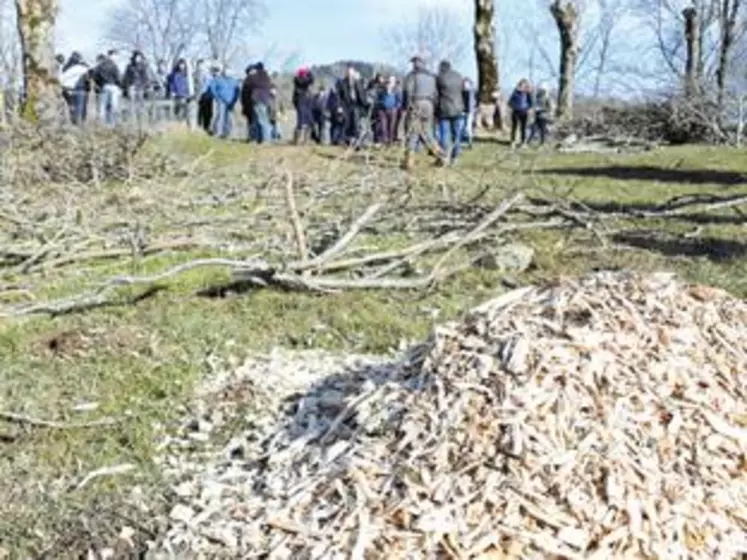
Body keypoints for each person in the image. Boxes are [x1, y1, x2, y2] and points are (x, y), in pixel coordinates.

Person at [401, 55, 441, 170]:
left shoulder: (412, 76)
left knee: (412, 131)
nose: (412, 65)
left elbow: (408, 91)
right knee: (427, 131)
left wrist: (405, 107)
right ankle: (440, 154)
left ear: (416, 63)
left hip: (416, 103)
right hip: (429, 105)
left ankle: (409, 161)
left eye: (413, 62)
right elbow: (436, 94)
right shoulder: (432, 77)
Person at [435, 60, 466, 166]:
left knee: (444, 135)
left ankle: (444, 157)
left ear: (442, 67)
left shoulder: (440, 77)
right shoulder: (458, 76)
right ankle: (455, 157)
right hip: (458, 109)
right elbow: (463, 91)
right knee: (456, 134)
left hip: (444, 110)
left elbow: (436, 94)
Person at [241, 62, 273, 143]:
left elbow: (248, 82)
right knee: (257, 120)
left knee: (262, 120)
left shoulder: (258, 76)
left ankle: (266, 139)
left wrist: (248, 77)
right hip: (262, 100)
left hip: (258, 100)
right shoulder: (266, 76)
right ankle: (258, 138)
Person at [336, 65, 367, 146]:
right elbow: (339, 96)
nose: (350, 75)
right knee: (348, 123)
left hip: (357, 105)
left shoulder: (359, 81)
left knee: (357, 123)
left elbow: (362, 93)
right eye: (348, 73)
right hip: (347, 105)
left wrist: (357, 81)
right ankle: (349, 140)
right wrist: (339, 107)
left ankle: (357, 141)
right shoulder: (342, 83)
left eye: (352, 73)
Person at [90, 50, 122, 125]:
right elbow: (118, 78)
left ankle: (102, 124)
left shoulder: (101, 65)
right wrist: (120, 86)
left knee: (102, 107)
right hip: (113, 87)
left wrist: (99, 84)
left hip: (103, 86)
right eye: (116, 55)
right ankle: (111, 124)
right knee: (113, 106)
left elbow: (95, 76)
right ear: (112, 55)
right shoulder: (114, 65)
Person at [122, 50, 154, 126]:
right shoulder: (129, 67)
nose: (138, 59)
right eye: (136, 57)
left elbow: (146, 78)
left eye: (139, 57)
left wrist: (147, 87)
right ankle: (131, 122)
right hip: (132, 87)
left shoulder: (144, 67)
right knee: (131, 105)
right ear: (134, 57)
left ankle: (141, 122)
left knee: (141, 105)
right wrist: (126, 87)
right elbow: (126, 78)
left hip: (140, 87)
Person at [208, 65, 239, 138]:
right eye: (226, 71)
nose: (227, 72)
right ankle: (218, 132)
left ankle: (227, 133)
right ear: (223, 72)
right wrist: (217, 97)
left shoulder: (234, 81)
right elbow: (213, 89)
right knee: (220, 117)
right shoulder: (218, 79)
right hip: (221, 101)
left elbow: (237, 92)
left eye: (229, 71)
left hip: (230, 102)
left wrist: (234, 101)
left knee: (229, 118)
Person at [60, 51, 90, 125]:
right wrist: (88, 89)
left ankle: (72, 121)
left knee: (72, 106)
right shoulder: (82, 68)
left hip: (67, 89)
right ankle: (78, 123)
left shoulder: (66, 66)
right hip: (80, 89)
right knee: (79, 107)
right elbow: (87, 79)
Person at [292, 67, 314, 144]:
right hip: (301, 103)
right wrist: (309, 73)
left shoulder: (304, 83)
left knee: (309, 122)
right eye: (304, 75)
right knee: (300, 123)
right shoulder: (298, 80)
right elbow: (309, 81)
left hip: (306, 103)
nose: (305, 76)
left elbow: (310, 81)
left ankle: (306, 140)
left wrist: (309, 73)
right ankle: (297, 140)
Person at [377, 75, 400, 146]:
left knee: (391, 127)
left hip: (393, 110)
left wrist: (396, 108)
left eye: (392, 80)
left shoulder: (397, 90)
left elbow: (399, 101)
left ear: (394, 81)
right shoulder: (383, 88)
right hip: (383, 111)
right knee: (383, 127)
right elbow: (379, 98)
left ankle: (390, 142)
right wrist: (380, 104)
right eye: (389, 80)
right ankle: (384, 141)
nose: (390, 82)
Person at [508, 79, 533, 148]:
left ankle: (523, 142)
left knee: (523, 128)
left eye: (524, 85)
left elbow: (531, 103)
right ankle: (513, 141)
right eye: (521, 84)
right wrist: (514, 106)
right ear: (519, 85)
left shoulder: (528, 93)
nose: (523, 86)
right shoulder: (515, 92)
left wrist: (528, 108)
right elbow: (510, 102)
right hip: (516, 111)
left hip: (524, 112)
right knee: (514, 127)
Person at [167, 58, 192, 124]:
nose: (182, 66)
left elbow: (189, 84)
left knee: (186, 111)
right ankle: (178, 122)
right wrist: (173, 91)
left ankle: (188, 125)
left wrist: (190, 93)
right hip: (177, 94)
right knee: (177, 110)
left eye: (183, 64)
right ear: (178, 65)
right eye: (180, 64)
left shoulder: (187, 74)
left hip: (186, 94)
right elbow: (172, 83)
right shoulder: (175, 74)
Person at [193, 59, 214, 133]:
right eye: (200, 65)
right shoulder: (194, 74)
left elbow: (211, 84)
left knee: (208, 113)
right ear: (197, 65)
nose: (201, 66)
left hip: (208, 96)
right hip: (199, 95)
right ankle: (199, 127)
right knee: (199, 112)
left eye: (203, 65)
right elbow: (195, 85)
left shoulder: (209, 74)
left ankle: (207, 127)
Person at [461, 78, 476, 148]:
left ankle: (470, 141)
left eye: (466, 84)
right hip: (462, 111)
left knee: (468, 127)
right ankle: (462, 141)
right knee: (461, 127)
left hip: (470, 111)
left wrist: (469, 80)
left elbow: (473, 85)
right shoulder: (460, 92)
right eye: (464, 84)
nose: (465, 85)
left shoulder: (472, 91)